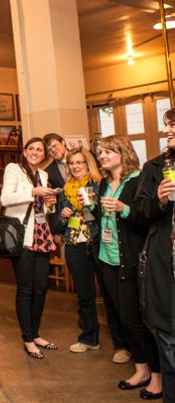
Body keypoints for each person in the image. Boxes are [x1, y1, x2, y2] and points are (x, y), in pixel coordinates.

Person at [94, 135, 161, 399]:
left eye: (109, 151)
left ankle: (157, 376)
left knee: (134, 321)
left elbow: (145, 219)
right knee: (122, 319)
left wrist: (123, 207)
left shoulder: (136, 181)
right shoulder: (103, 183)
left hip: (129, 259)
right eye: (100, 152)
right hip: (106, 258)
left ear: (123, 153)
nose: (103, 156)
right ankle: (141, 369)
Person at [0, 137, 59, 359]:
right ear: (24, 152)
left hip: (42, 235)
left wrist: (50, 204)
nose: (35, 152)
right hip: (22, 236)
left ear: (44, 155)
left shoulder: (43, 175)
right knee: (26, 289)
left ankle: (36, 334)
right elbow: (5, 198)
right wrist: (34, 193)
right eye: (31, 149)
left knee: (41, 287)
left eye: (40, 150)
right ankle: (27, 338)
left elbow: (42, 210)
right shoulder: (14, 169)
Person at [133, 108, 175, 401]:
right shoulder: (154, 167)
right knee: (170, 343)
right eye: (167, 126)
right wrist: (159, 201)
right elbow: (138, 212)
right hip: (166, 266)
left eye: (173, 126)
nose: (167, 131)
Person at [55, 148, 102, 353]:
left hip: (99, 242)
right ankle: (89, 338)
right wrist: (62, 214)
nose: (75, 167)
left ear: (88, 164)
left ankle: (122, 344)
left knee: (110, 294)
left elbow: (105, 216)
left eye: (79, 163)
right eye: (72, 163)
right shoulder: (66, 189)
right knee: (84, 294)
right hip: (74, 244)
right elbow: (58, 221)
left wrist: (92, 206)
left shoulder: (99, 185)